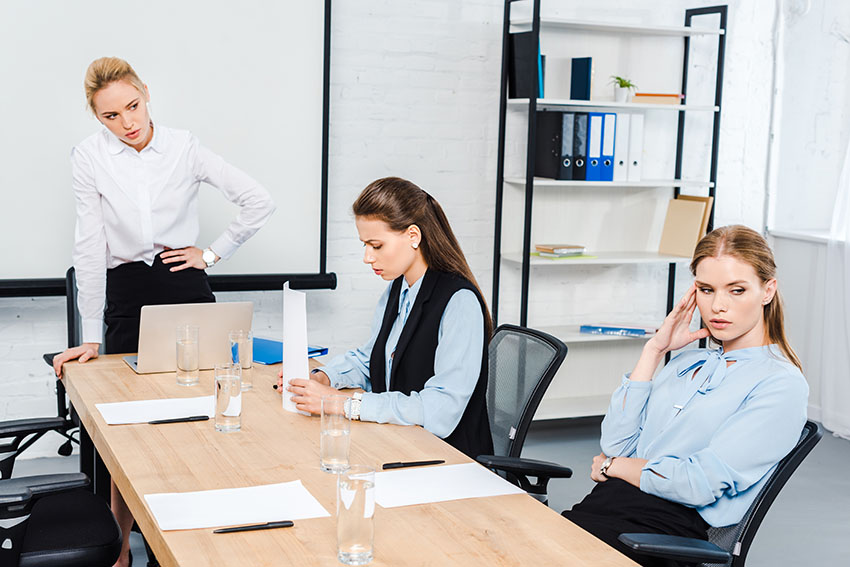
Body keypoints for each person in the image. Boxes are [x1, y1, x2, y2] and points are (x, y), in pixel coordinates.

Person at [53, 57, 275, 567]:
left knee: (208, 413)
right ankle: (120, 551)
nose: (127, 122)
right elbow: (89, 245)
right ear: (96, 118)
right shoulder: (89, 157)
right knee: (125, 427)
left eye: (132, 106)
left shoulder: (184, 146)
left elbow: (258, 200)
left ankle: (197, 540)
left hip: (184, 283)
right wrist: (90, 335)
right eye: (111, 116)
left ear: (146, 94)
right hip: (126, 290)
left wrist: (212, 253)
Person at [561, 225, 808, 567]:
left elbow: (697, 484)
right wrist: (654, 350)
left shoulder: (780, 383)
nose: (718, 306)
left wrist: (613, 466)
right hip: (600, 508)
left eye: (736, 290)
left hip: (659, 535)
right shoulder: (688, 360)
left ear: (768, 291)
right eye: (706, 290)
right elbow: (617, 443)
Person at [280, 176, 494, 458]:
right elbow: (373, 359)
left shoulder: (459, 302)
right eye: (365, 245)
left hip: (448, 458)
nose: (367, 257)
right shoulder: (399, 289)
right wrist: (324, 378)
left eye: (376, 245)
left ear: (413, 236)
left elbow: (440, 409)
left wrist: (342, 404)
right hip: (401, 444)